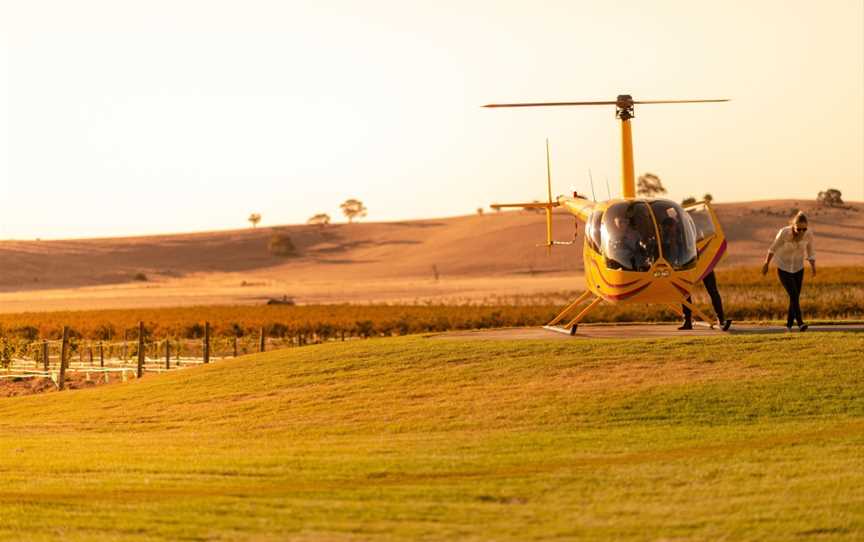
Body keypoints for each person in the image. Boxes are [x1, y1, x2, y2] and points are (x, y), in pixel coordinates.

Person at [761, 211, 816, 331]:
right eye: (798, 229)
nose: (801, 232)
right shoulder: (784, 233)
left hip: (798, 268)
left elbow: (811, 251)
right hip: (783, 267)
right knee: (794, 295)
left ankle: (789, 325)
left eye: (804, 229)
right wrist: (766, 263)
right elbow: (773, 248)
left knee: (794, 297)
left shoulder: (808, 234)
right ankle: (801, 323)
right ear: (793, 226)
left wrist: (813, 267)